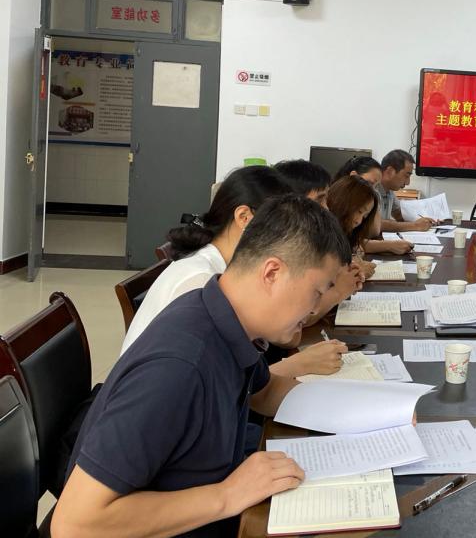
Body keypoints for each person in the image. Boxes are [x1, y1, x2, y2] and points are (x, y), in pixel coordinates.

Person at [53, 194, 349, 538]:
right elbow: (74, 524)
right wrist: (227, 495)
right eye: (316, 292)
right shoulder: (178, 368)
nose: (314, 309)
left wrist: (362, 415)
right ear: (272, 273)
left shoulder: (224, 316)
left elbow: (266, 392)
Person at [121, 166, 349, 379]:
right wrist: (300, 363)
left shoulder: (226, 273)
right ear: (244, 217)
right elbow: (222, 381)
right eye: (278, 223)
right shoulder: (201, 283)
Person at [339, 155, 414, 255]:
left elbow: (361, 238)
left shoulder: (368, 197)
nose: (373, 191)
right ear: (353, 177)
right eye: (369, 183)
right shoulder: (338, 204)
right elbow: (346, 245)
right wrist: (389, 246)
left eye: (375, 187)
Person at [325, 175, 382, 281]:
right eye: (359, 211)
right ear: (342, 202)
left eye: (364, 216)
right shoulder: (320, 231)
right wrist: (355, 272)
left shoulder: (342, 232)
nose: (359, 221)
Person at [377, 149, 436, 233]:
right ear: (390, 172)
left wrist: (426, 220)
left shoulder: (389, 191)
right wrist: (415, 225)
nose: (408, 183)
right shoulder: (372, 189)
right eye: (406, 176)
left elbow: (399, 214)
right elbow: (376, 224)